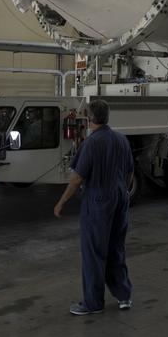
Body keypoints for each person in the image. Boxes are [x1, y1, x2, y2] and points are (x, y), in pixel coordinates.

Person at [53, 98, 133, 316]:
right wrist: (121, 191)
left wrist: (61, 203)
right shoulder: (121, 140)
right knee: (116, 248)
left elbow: (77, 178)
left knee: (94, 253)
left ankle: (93, 303)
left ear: (89, 119)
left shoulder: (91, 143)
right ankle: (124, 296)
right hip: (120, 198)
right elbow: (129, 172)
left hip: (98, 202)